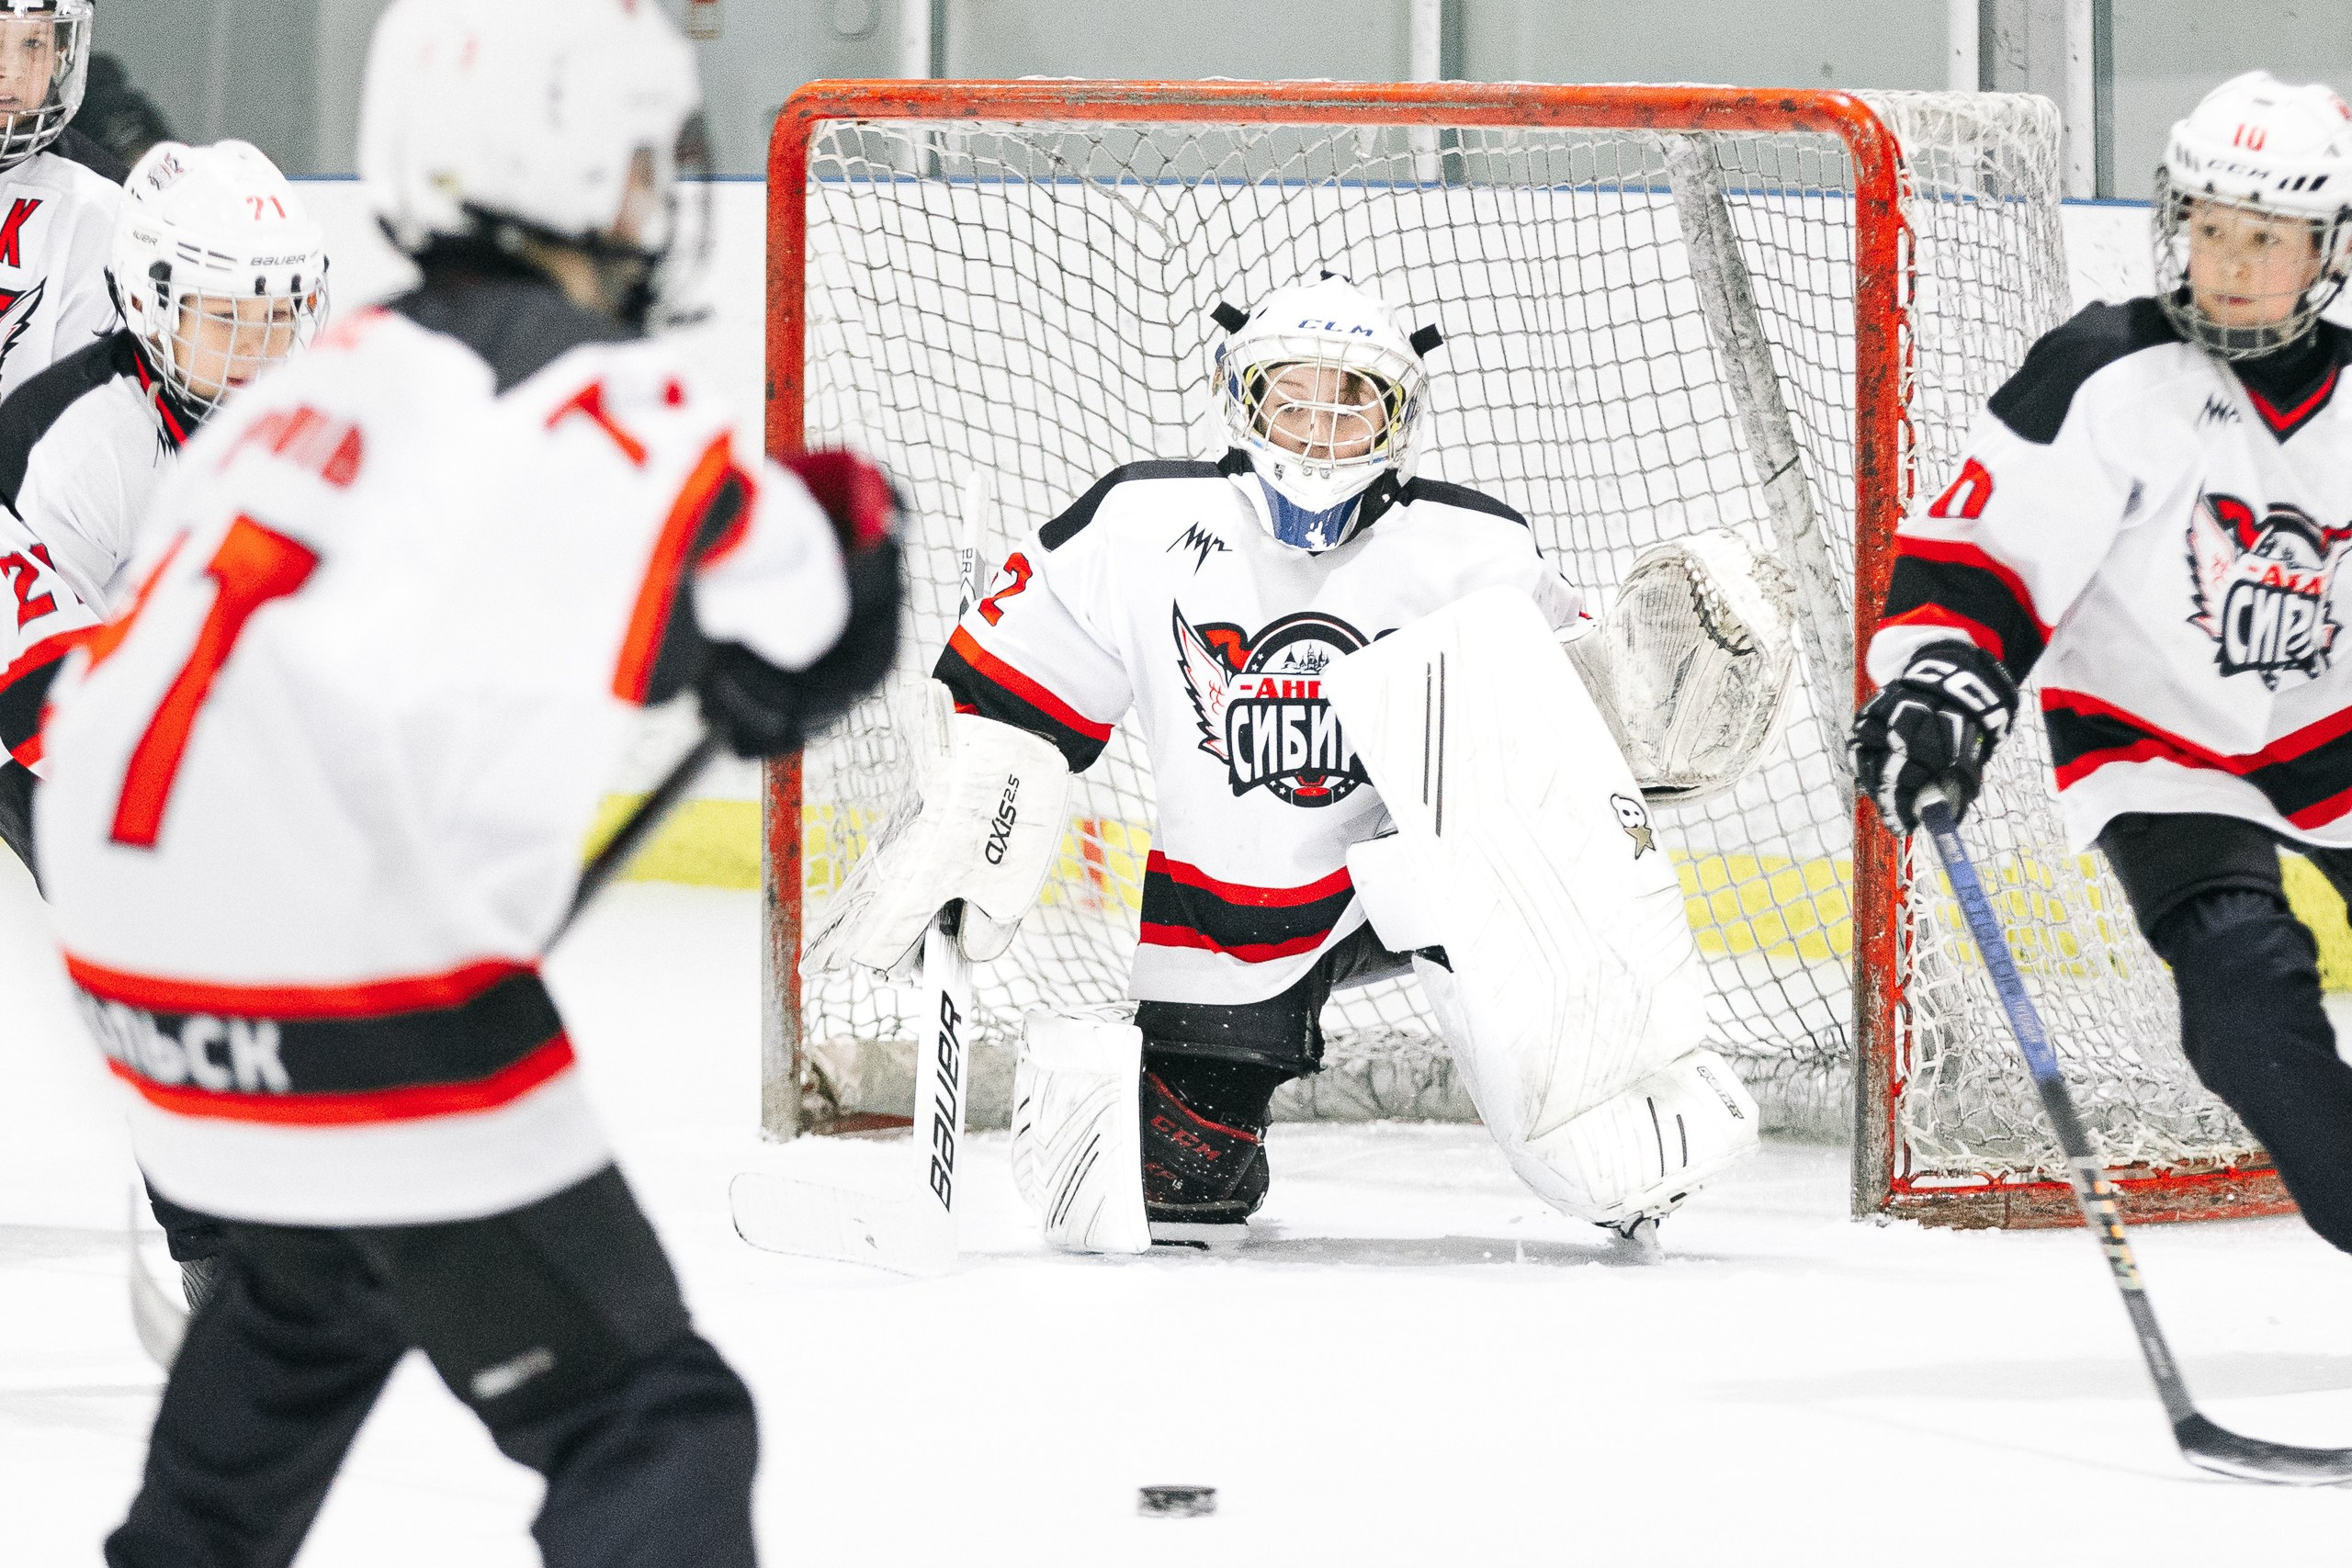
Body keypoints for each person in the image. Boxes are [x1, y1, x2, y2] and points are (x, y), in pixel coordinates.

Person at [34, 2, 900, 1563]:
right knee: (653, 1420)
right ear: (581, 169)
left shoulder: (307, 388)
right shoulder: (580, 383)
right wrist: (852, 541)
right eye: (644, 161)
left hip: (133, 970)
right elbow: (792, 612)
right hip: (344, 967)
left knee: (310, 1302)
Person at [809, 272, 1759, 1253]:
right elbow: (1002, 695)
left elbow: (1572, 729)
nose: (1316, 430)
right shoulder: (1137, 525)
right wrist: (975, 796)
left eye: (1349, 403)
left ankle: (1601, 1100)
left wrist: (1650, 713)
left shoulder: (1477, 550)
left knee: (1579, 1067)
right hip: (1228, 908)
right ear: (1243, 399)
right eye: (1291, 399)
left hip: (1432, 885)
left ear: (1397, 416)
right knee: (1176, 1182)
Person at [1851, 70, 2352, 1253]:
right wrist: (1937, 681)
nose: (2229, 263)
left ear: (2325, 250)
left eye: (2265, 238)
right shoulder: (2101, 371)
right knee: (2240, 1008)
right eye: (2210, 228)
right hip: (2158, 746)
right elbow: (1986, 555)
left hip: (2331, 726)